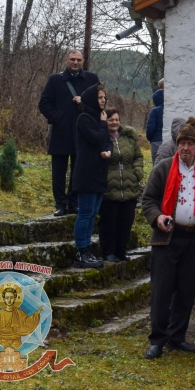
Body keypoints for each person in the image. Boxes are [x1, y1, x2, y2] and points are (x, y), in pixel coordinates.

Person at [141, 117, 195, 360]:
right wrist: (158, 217)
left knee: (185, 292)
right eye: (182, 143)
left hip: (194, 240)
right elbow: (148, 200)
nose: (185, 148)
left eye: (191, 144)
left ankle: (177, 337)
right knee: (162, 291)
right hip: (167, 238)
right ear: (177, 144)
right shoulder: (163, 167)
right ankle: (158, 340)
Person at [37, 50, 100, 216]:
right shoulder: (55, 80)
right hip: (61, 132)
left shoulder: (92, 79)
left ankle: (74, 202)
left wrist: (84, 102)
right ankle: (60, 204)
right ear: (66, 60)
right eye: (72, 59)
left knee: (78, 170)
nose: (75, 62)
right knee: (58, 171)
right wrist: (57, 118)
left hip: (82, 133)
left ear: (83, 61)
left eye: (78, 60)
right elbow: (44, 103)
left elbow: (100, 103)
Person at [71, 84, 112, 269]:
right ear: (91, 100)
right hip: (86, 173)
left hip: (99, 173)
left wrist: (109, 151)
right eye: (100, 97)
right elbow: (96, 138)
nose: (103, 100)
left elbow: (107, 141)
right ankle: (81, 251)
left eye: (104, 97)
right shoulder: (84, 118)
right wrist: (104, 125)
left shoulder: (99, 119)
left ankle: (87, 250)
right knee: (85, 214)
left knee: (93, 214)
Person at [98, 107, 143, 262]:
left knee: (126, 221)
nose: (115, 122)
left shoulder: (129, 138)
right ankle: (108, 252)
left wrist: (137, 173)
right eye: (111, 120)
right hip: (109, 187)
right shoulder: (101, 137)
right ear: (106, 121)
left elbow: (138, 156)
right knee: (109, 222)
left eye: (117, 119)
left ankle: (121, 251)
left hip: (129, 186)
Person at [146, 84, 164, 164]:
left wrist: (150, 138)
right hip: (168, 141)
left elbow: (150, 129)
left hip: (156, 142)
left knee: (156, 166)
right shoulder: (169, 110)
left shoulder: (155, 111)